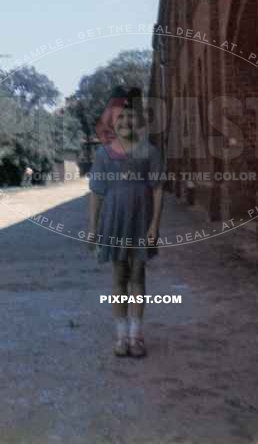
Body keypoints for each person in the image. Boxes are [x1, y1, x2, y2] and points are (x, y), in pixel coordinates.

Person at [88, 86, 165, 358]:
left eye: (131, 118)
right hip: (114, 220)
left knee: (138, 276)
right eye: (120, 119)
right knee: (119, 275)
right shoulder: (103, 155)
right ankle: (120, 336)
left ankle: (136, 335)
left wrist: (154, 225)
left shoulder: (150, 152)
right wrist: (93, 228)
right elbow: (96, 193)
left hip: (140, 220)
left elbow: (156, 189)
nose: (126, 123)